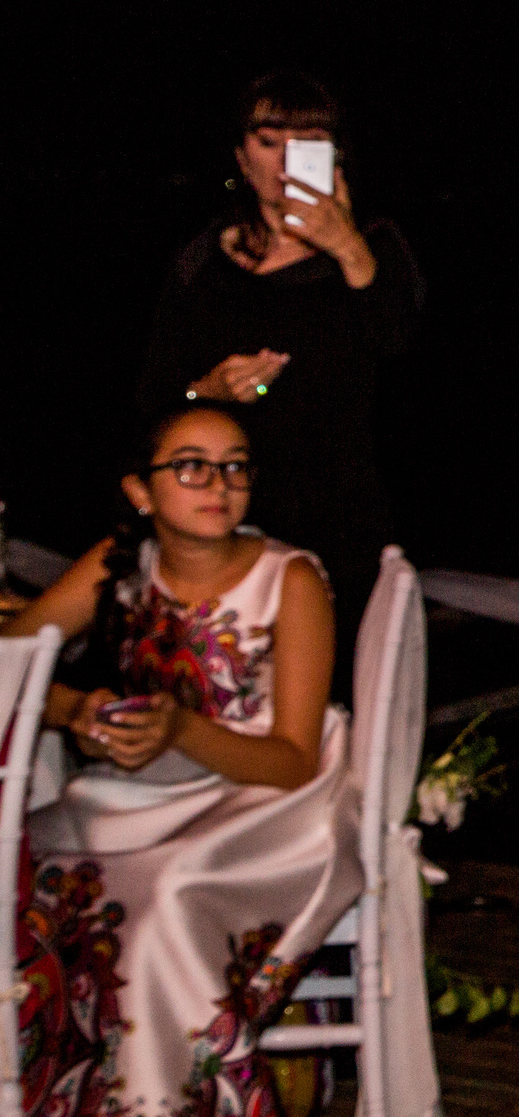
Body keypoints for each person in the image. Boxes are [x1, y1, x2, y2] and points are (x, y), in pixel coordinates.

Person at [7, 404, 360, 1116]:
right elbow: (14, 657)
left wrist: (178, 730)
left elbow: (292, 761)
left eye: (235, 466)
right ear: (142, 491)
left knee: (164, 893)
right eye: (192, 465)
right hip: (152, 792)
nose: (218, 483)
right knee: (30, 865)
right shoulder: (120, 562)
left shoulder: (289, 579)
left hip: (276, 805)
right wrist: (75, 709)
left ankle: (165, 1099)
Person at [135, 71, 423, 689]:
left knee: (339, 700)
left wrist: (348, 250)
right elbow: (154, 398)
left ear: (335, 155)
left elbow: (403, 354)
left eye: (309, 140)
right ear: (241, 154)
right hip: (223, 520)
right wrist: (207, 393)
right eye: (269, 140)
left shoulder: (376, 245)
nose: (287, 158)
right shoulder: (201, 261)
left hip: (340, 522)